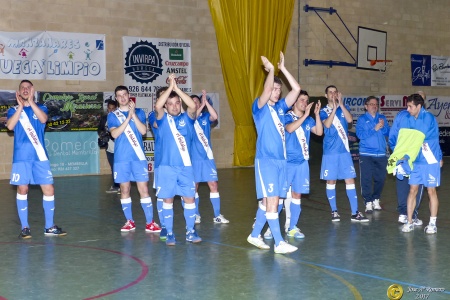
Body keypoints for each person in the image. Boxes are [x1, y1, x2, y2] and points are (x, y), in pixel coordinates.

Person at [247, 52, 299, 254]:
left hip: (281, 162)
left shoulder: (280, 109)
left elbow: (296, 89)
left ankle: (254, 235)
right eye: (274, 89)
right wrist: (270, 71)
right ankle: (279, 243)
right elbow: (266, 89)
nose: (276, 92)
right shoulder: (258, 107)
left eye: (279, 89)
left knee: (269, 203)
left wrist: (282, 69)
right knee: (273, 201)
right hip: (266, 161)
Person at [6, 80, 67, 238]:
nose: (25, 90)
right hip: (21, 157)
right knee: (22, 189)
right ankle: (25, 227)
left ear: (32, 90)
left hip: (40, 157)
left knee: (49, 189)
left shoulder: (41, 107)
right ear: (18, 92)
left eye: (28, 88)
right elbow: (10, 127)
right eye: (22, 88)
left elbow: (43, 119)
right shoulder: (13, 110)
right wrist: (20, 106)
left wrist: (31, 103)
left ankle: (49, 227)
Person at [154, 74, 201, 246]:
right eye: (170, 103)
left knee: (190, 198)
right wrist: (170, 88)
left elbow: (192, 105)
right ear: (166, 106)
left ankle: (190, 231)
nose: (174, 106)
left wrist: (177, 89)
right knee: (168, 200)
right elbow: (158, 105)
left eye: (177, 103)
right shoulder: (162, 119)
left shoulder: (187, 119)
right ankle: (170, 232)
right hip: (167, 167)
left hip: (185, 167)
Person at [107, 85, 161, 233]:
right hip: (121, 159)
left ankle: (150, 222)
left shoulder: (139, 112)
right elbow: (115, 134)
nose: (123, 97)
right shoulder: (113, 115)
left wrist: (133, 115)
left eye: (125, 94)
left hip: (138, 158)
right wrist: (127, 118)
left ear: (129, 95)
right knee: (125, 189)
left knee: (144, 189)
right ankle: (129, 221)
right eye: (119, 95)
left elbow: (143, 131)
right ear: (116, 98)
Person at [319, 85, 368, 222]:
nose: (333, 94)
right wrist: (334, 109)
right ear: (326, 95)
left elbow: (350, 120)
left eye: (335, 92)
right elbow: (327, 125)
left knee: (350, 180)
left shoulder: (343, 107)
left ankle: (355, 213)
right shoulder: (323, 111)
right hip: (330, 152)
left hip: (344, 152)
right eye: (330, 92)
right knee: (331, 180)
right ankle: (334, 211)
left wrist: (340, 104)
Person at [399, 94, 442, 234]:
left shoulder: (428, 118)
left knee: (431, 191)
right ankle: (409, 221)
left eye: (410, 106)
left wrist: (439, 157)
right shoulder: (410, 118)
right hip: (416, 161)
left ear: (419, 106)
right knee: (412, 190)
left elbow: (416, 136)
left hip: (430, 160)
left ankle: (432, 223)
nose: (408, 109)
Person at [283, 90, 323, 239]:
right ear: (294, 102)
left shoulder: (308, 120)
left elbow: (319, 132)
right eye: (301, 100)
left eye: (306, 100)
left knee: (297, 194)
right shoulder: (287, 116)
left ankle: (292, 227)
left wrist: (316, 115)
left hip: (302, 163)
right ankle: (269, 225)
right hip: (287, 163)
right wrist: (305, 115)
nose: (304, 103)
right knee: (279, 197)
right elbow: (289, 129)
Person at [190, 90, 229, 225]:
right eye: (192, 102)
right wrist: (198, 106)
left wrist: (206, 102)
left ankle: (217, 215)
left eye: (197, 102)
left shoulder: (205, 117)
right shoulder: (187, 118)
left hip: (208, 158)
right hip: (193, 159)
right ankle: (195, 214)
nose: (195, 104)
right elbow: (193, 116)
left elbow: (215, 116)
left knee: (213, 185)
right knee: (193, 187)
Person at [388, 92, 426, 225]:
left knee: (415, 187)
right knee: (403, 185)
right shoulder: (402, 116)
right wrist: (397, 153)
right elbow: (393, 135)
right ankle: (406, 214)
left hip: (418, 158)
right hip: (403, 158)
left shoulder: (426, 118)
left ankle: (409, 214)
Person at [356, 96, 390, 213]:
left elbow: (387, 132)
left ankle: (376, 199)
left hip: (380, 154)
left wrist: (383, 126)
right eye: (371, 104)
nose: (374, 106)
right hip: (366, 154)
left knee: (380, 179)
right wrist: (374, 128)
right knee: (366, 179)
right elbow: (360, 135)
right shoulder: (361, 119)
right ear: (366, 106)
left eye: (376, 104)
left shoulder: (382, 118)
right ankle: (368, 201)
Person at [98, 99, 120, 194]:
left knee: (117, 167)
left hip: (118, 147)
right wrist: (103, 134)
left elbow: (118, 133)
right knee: (113, 167)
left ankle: (118, 185)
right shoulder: (104, 118)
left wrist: (110, 135)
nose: (111, 110)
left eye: (113, 109)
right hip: (109, 147)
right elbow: (99, 129)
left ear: (116, 109)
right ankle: (117, 184)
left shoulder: (118, 119)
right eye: (109, 108)